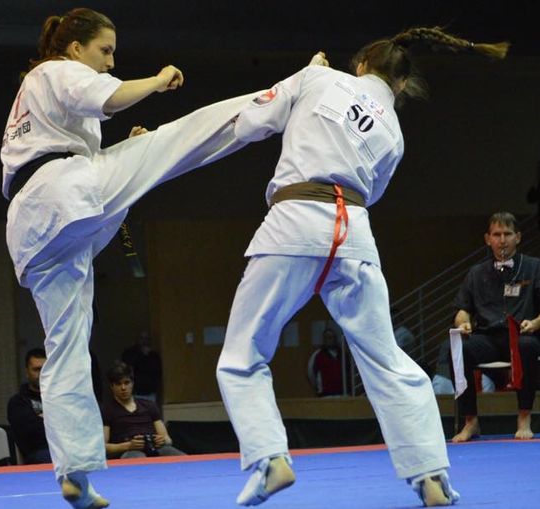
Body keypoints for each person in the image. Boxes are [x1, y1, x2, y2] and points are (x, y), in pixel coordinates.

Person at [216, 28, 508, 507]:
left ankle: (269, 458)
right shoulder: (393, 131)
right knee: (386, 358)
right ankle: (431, 475)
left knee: (243, 352)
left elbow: (251, 121)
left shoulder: (316, 77)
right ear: (401, 84)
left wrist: (304, 77)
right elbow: (372, 191)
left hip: (294, 223)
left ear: (360, 65)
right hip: (353, 233)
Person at [0, 8, 264, 508]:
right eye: (105, 50)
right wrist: (160, 79)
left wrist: (126, 154)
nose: (110, 61)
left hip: (37, 229)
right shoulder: (57, 70)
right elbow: (112, 96)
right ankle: (284, 97)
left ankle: (75, 475)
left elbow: (69, 145)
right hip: (63, 194)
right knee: (176, 142)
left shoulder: (38, 92)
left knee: (67, 352)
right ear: (75, 47)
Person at [452, 212, 540, 443]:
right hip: (488, 338)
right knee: (459, 350)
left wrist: (535, 323)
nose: (502, 240)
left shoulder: (534, 267)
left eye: (507, 234)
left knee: (528, 347)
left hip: (522, 335)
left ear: (518, 237)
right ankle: (470, 421)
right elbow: (462, 310)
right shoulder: (476, 273)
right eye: (497, 234)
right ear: (487, 239)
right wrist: (463, 323)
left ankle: (524, 417)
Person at [101, 362, 184, 458]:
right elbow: (102, 447)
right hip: (129, 450)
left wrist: (162, 440)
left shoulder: (149, 405)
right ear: (112, 386)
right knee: (136, 459)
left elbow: (168, 439)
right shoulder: (107, 410)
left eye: (127, 383)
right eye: (118, 384)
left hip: (156, 447)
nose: (123, 388)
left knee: (183, 459)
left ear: (132, 383)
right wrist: (127, 446)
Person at [7, 348, 51, 464]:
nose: (42, 374)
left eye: (46, 369)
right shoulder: (18, 402)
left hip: (66, 450)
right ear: (27, 372)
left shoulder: (61, 397)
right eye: (37, 369)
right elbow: (31, 434)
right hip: (39, 454)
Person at [121, 331, 162, 402]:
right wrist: (142, 355)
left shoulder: (154, 355)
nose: (144, 341)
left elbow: (157, 371)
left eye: (147, 339)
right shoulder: (130, 353)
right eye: (142, 338)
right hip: (135, 392)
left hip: (151, 392)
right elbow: (127, 366)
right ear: (137, 339)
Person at [307, 327, 346, 396]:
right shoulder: (318, 355)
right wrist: (318, 388)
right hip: (325, 394)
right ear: (324, 340)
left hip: (342, 393)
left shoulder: (343, 354)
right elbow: (311, 374)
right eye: (328, 338)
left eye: (332, 337)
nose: (330, 340)